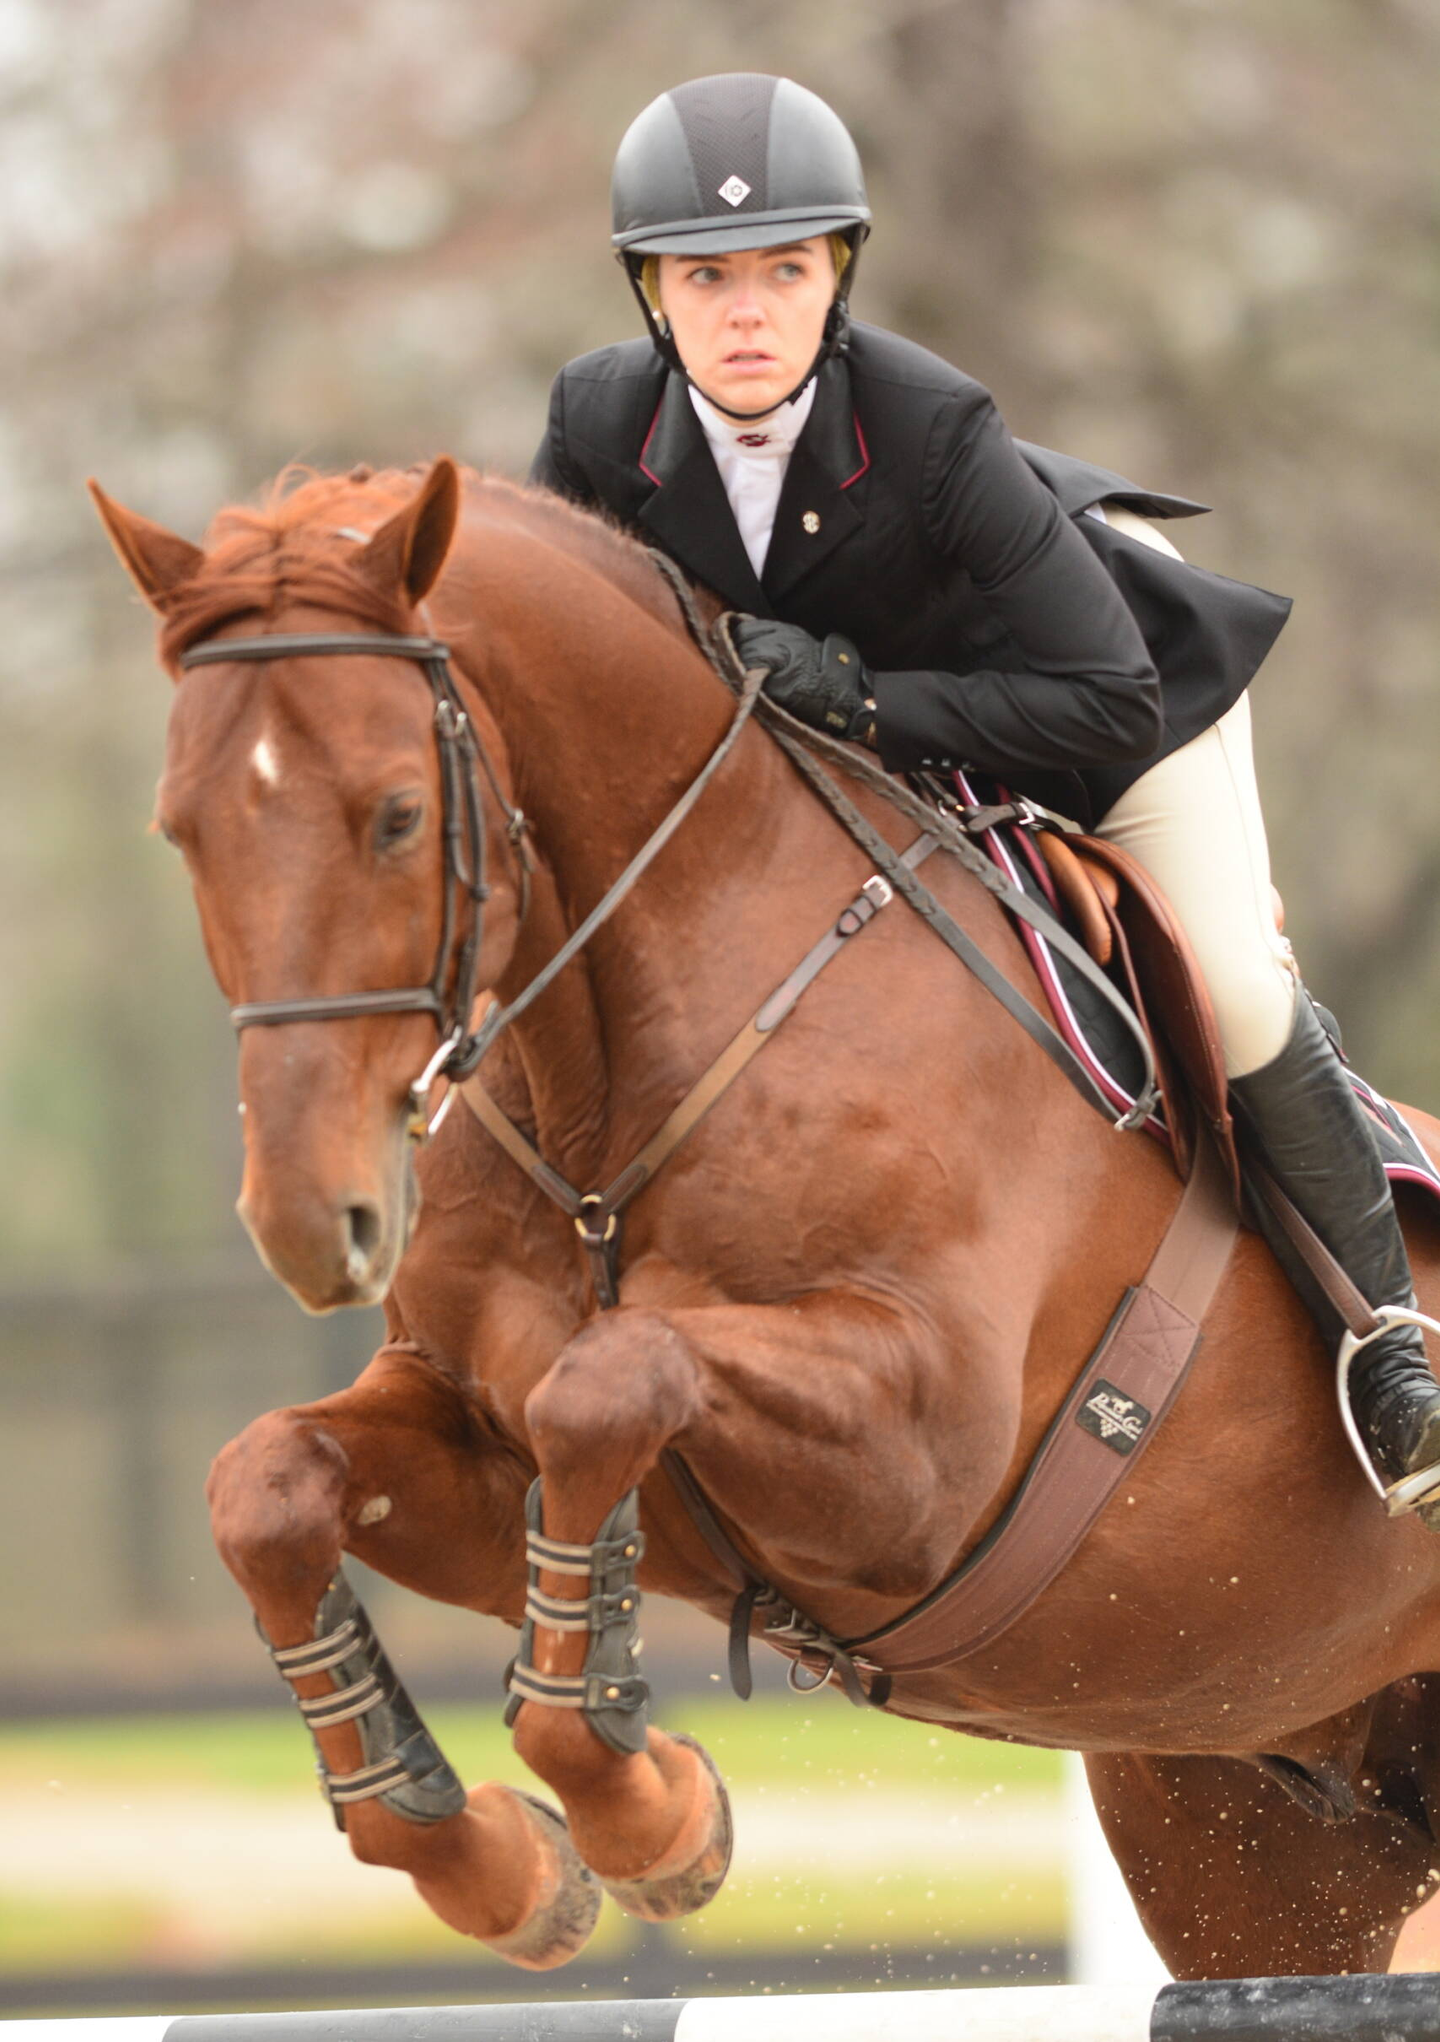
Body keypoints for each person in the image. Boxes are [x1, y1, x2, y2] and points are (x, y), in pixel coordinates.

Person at [529, 71, 1440, 1519]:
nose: (748, 310)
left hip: (1119, 704)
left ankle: (1393, 1351)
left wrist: (863, 697)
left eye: (786, 270)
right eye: (706, 277)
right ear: (651, 292)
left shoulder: (933, 425)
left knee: (1230, 990)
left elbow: (1103, 697)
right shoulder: (595, 424)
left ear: (839, 276)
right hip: (882, 742)